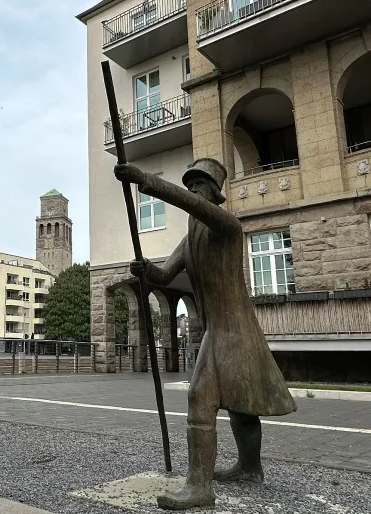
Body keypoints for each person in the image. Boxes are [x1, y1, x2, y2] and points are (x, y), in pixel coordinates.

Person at [114, 158, 296, 511]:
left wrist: (146, 181)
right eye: (190, 183)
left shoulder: (227, 226)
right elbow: (165, 276)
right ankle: (250, 468)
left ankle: (200, 486)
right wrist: (145, 270)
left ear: (214, 193)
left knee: (203, 397)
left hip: (236, 329)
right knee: (242, 405)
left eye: (199, 184)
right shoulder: (190, 239)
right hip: (220, 330)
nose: (193, 190)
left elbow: (190, 205)